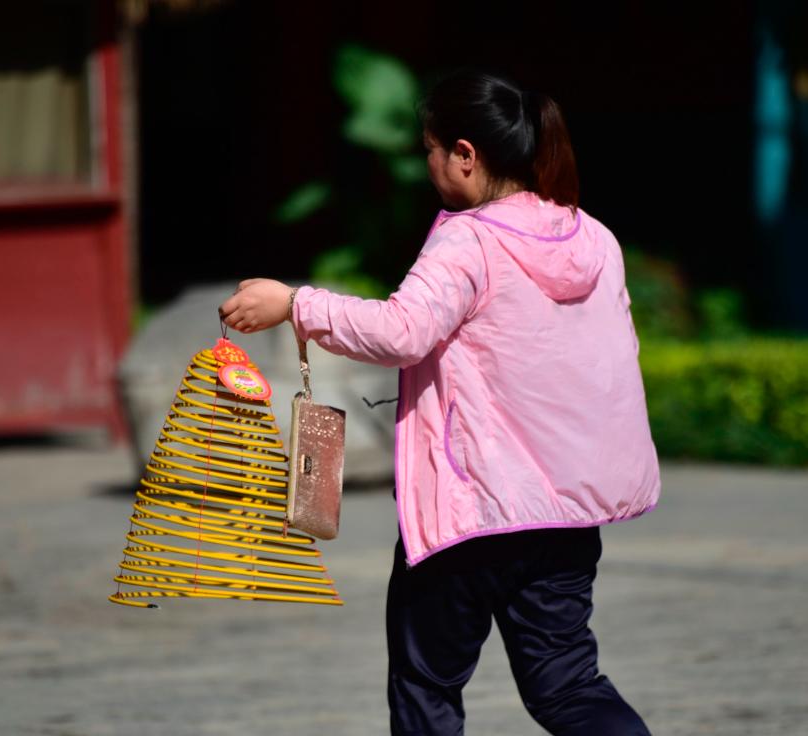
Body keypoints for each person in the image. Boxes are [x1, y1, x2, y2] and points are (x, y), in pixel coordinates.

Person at [218, 69, 660, 736]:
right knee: (568, 686)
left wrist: (296, 303)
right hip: (566, 515)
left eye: (428, 150)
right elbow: (617, 353)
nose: (426, 165)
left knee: (426, 687)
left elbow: (402, 332)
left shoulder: (468, 239)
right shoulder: (593, 238)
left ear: (464, 154)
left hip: (472, 511)